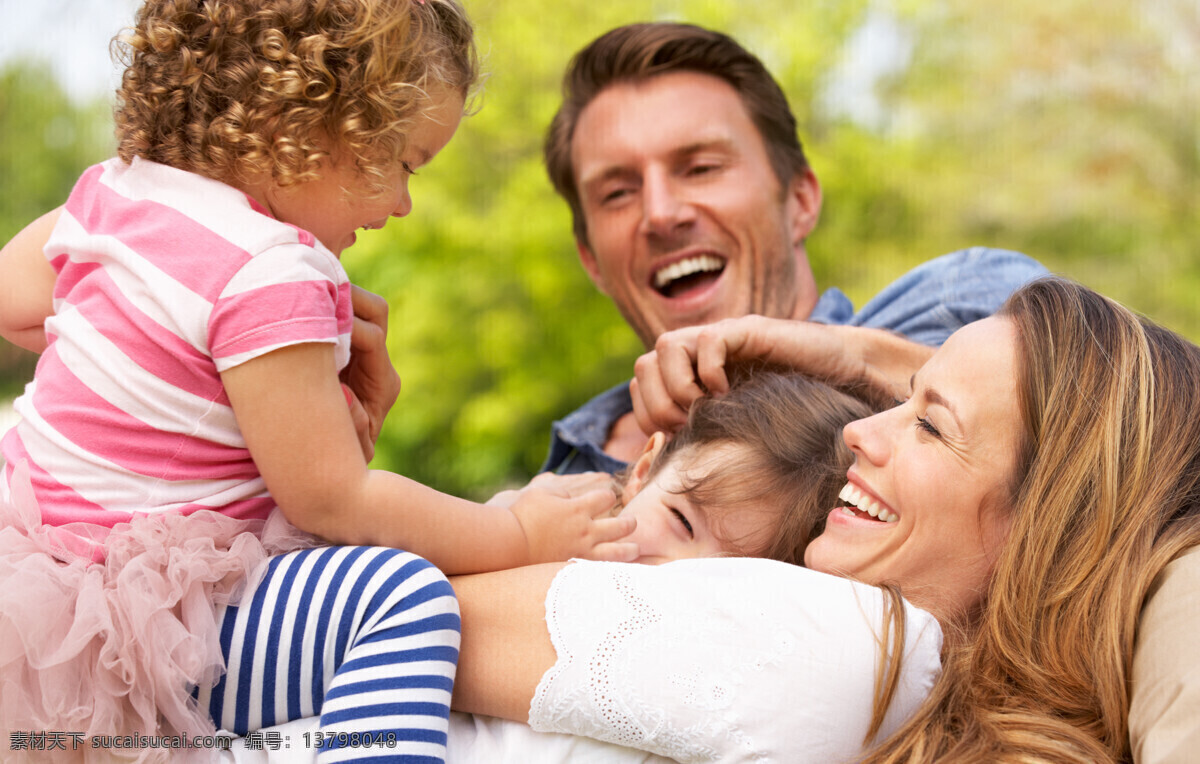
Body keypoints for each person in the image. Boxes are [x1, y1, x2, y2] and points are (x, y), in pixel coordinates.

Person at [0, 1, 632, 761]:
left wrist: (158, 375)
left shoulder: (113, 190)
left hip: (37, 594)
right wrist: (519, 531)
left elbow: (17, 304)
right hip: (154, 631)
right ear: (305, 128)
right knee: (403, 597)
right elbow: (335, 500)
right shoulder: (271, 270)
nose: (401, 204)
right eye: (404, 164)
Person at [446, 277, 1200, 762]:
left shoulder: (852, 643)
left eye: (930, 426)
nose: (857, 435)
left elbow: (373, 614)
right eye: (900, 398)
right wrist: (849, 353)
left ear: (1049, 532)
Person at [538, 22, 1049, 475]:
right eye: (618, 193)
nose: (660, 214)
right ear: (591, 261)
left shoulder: (966, 302)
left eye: (701, 168)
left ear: (799, 201)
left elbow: (1088, 420)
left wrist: (843, 360)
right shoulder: (565, 479)